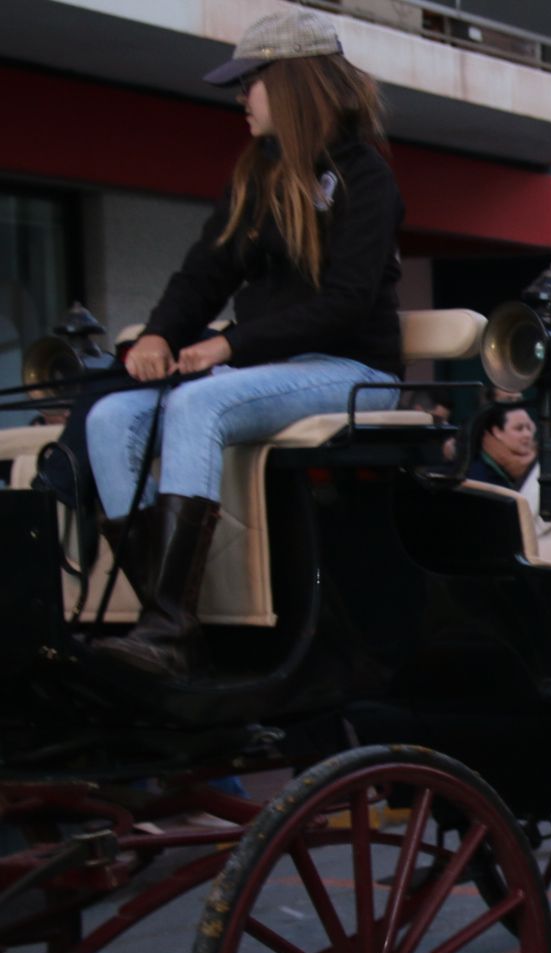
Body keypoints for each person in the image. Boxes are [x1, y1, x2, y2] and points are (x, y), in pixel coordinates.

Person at [83, 10, 401, 679]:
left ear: (290, 83)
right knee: (111, 418)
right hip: (268, 369)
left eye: (250, 81)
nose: (240, 98)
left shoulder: (365, 177)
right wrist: (162, 335)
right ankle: (163, 625)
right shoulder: (257, 175)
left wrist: (231, 346)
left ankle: (168, 632)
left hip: (351, 370)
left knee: (200, 405)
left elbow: (344, 306)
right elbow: (204, 271)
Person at [467, 402, 535, 488]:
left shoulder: (536, 462)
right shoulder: (478, 474)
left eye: (529, 428)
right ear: (497, 432)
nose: (527, 434)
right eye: (519, 428)